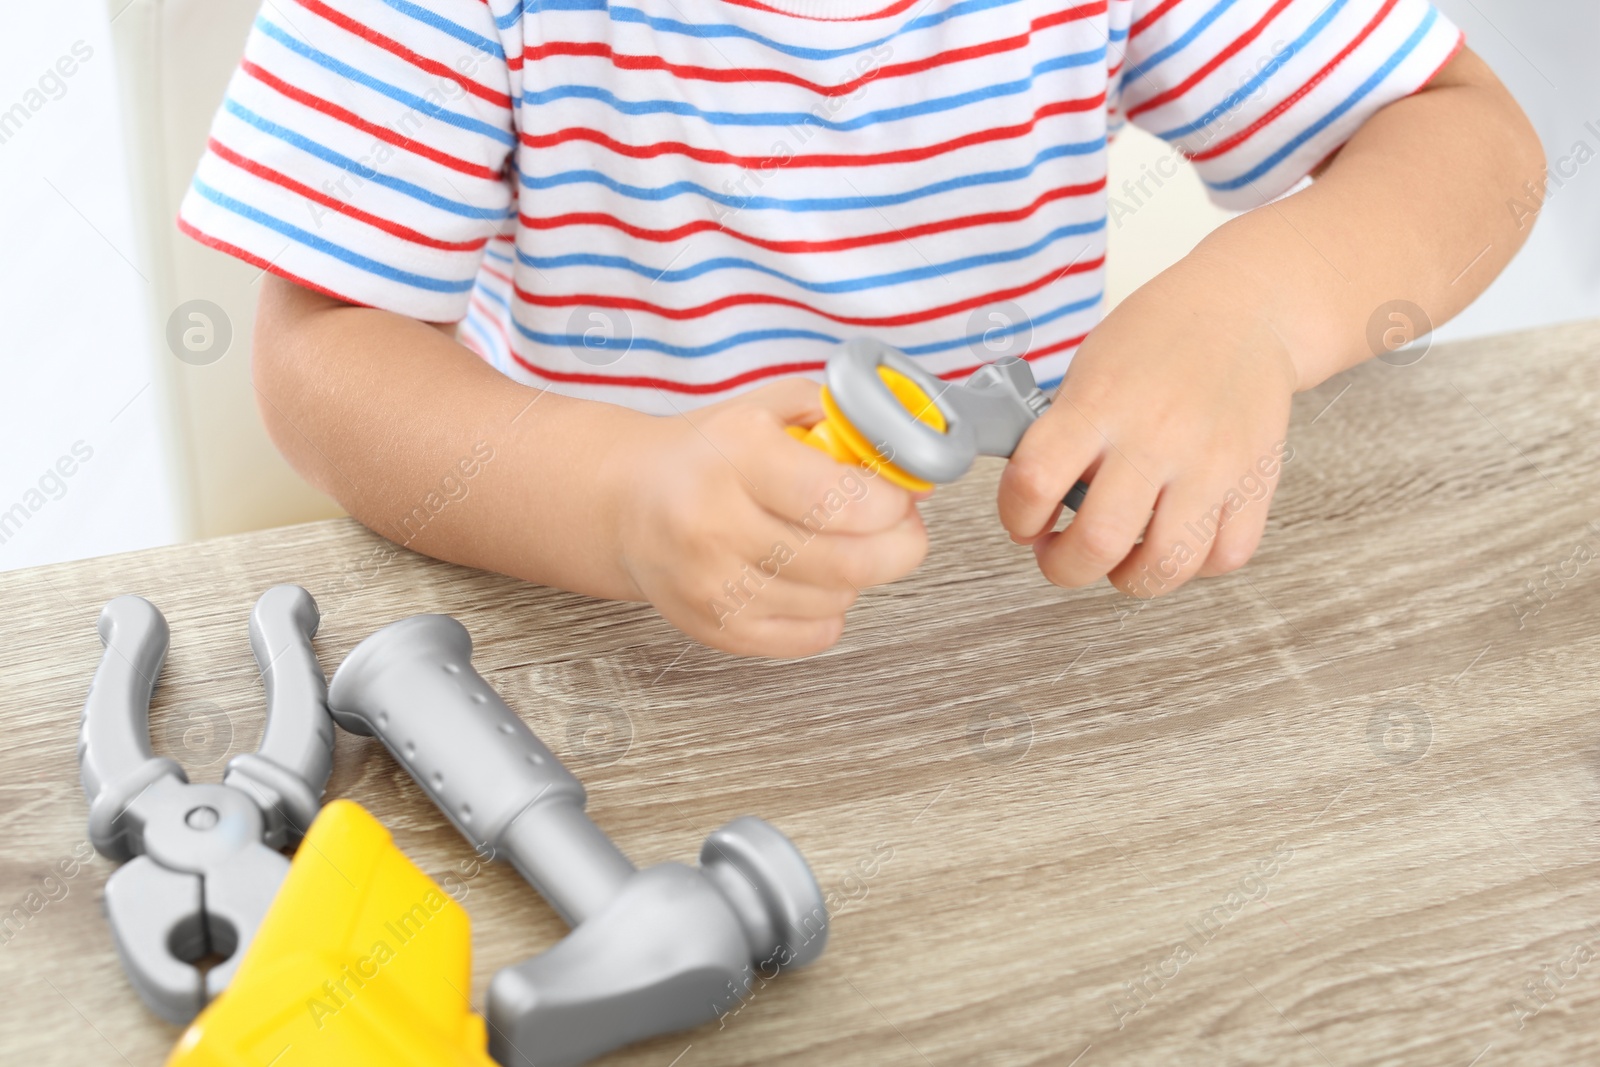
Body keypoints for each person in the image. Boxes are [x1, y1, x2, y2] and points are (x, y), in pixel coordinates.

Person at [177, 0, 1543, 656]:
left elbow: (1471, 143)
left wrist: (1255, 311)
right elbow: (320, 350)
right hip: (604, 628)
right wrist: (619, 500)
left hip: (1016, 613)